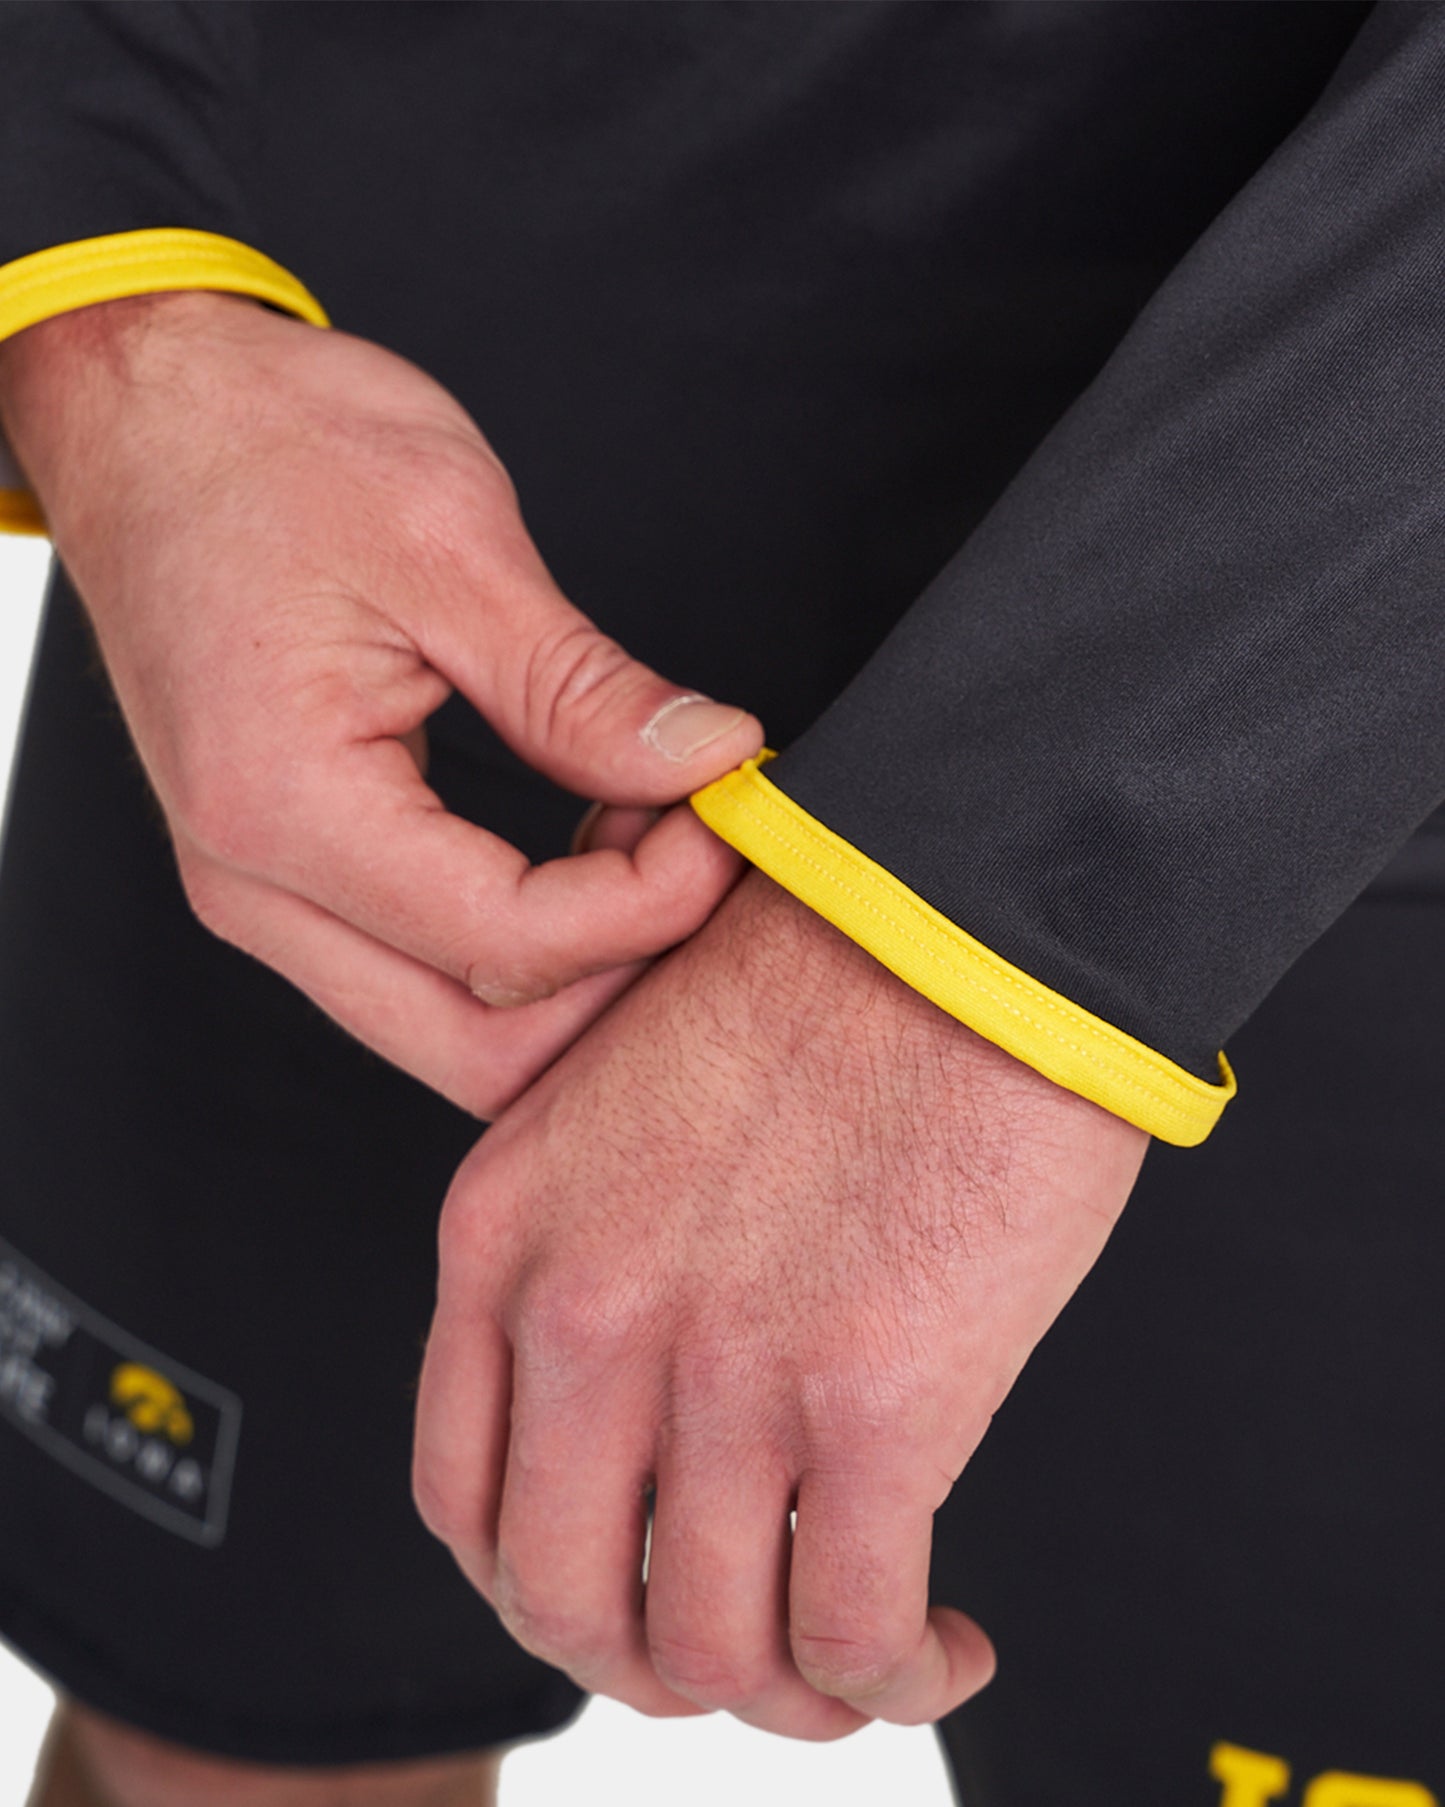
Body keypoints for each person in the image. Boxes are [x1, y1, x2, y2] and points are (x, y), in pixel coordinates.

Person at [0, 4, 1442, 1803]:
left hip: (1352, 645)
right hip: (373, 469)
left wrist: (1007, 918)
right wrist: (98, 297)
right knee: (219, 1758)